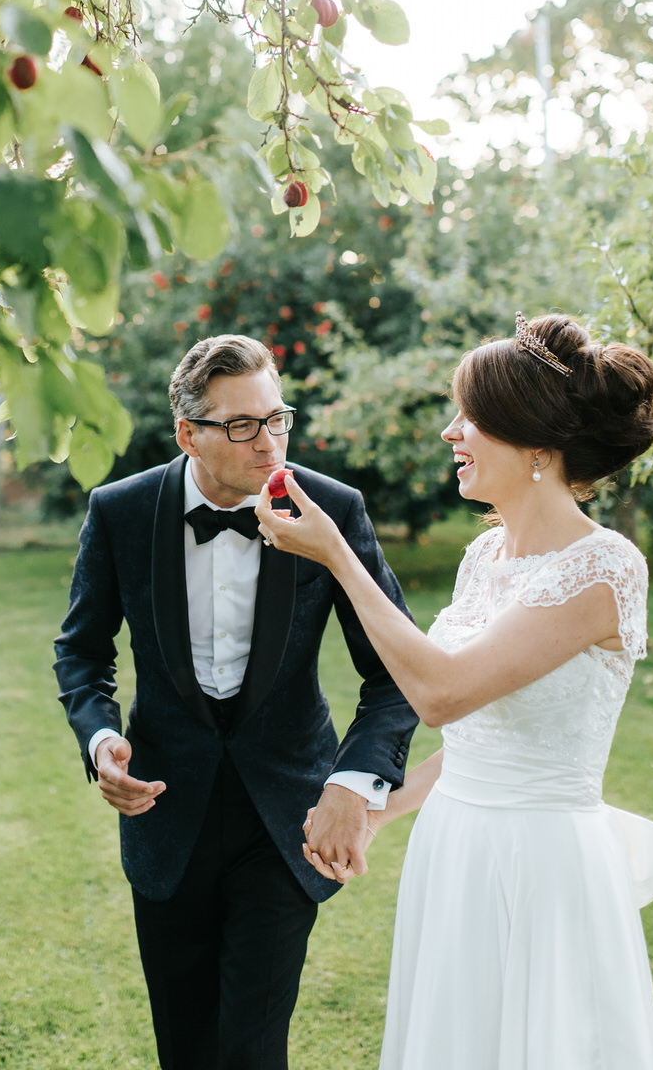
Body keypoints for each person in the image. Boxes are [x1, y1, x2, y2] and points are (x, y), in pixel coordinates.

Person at [257, 312, 653, 1070]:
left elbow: (441, 695)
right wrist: (383, 809)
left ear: (536, 447)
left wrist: (337, 556)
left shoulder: (606, 568)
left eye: (473, 418)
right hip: (455, 846)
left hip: (542, 864)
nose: (453, 433)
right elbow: (477, 735)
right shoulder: (486, 555)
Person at [54, 334, 419, 1070]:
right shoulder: (121, 512)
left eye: (277, 418)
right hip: (164, 813)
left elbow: (394, 671)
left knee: (252, 1048)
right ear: (189, 434)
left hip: (286, 816)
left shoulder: (333, 511)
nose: (269, 441)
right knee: (185, 1047)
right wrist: (100, 744)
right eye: (243, 425)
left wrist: (352, 784)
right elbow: (83, 651)